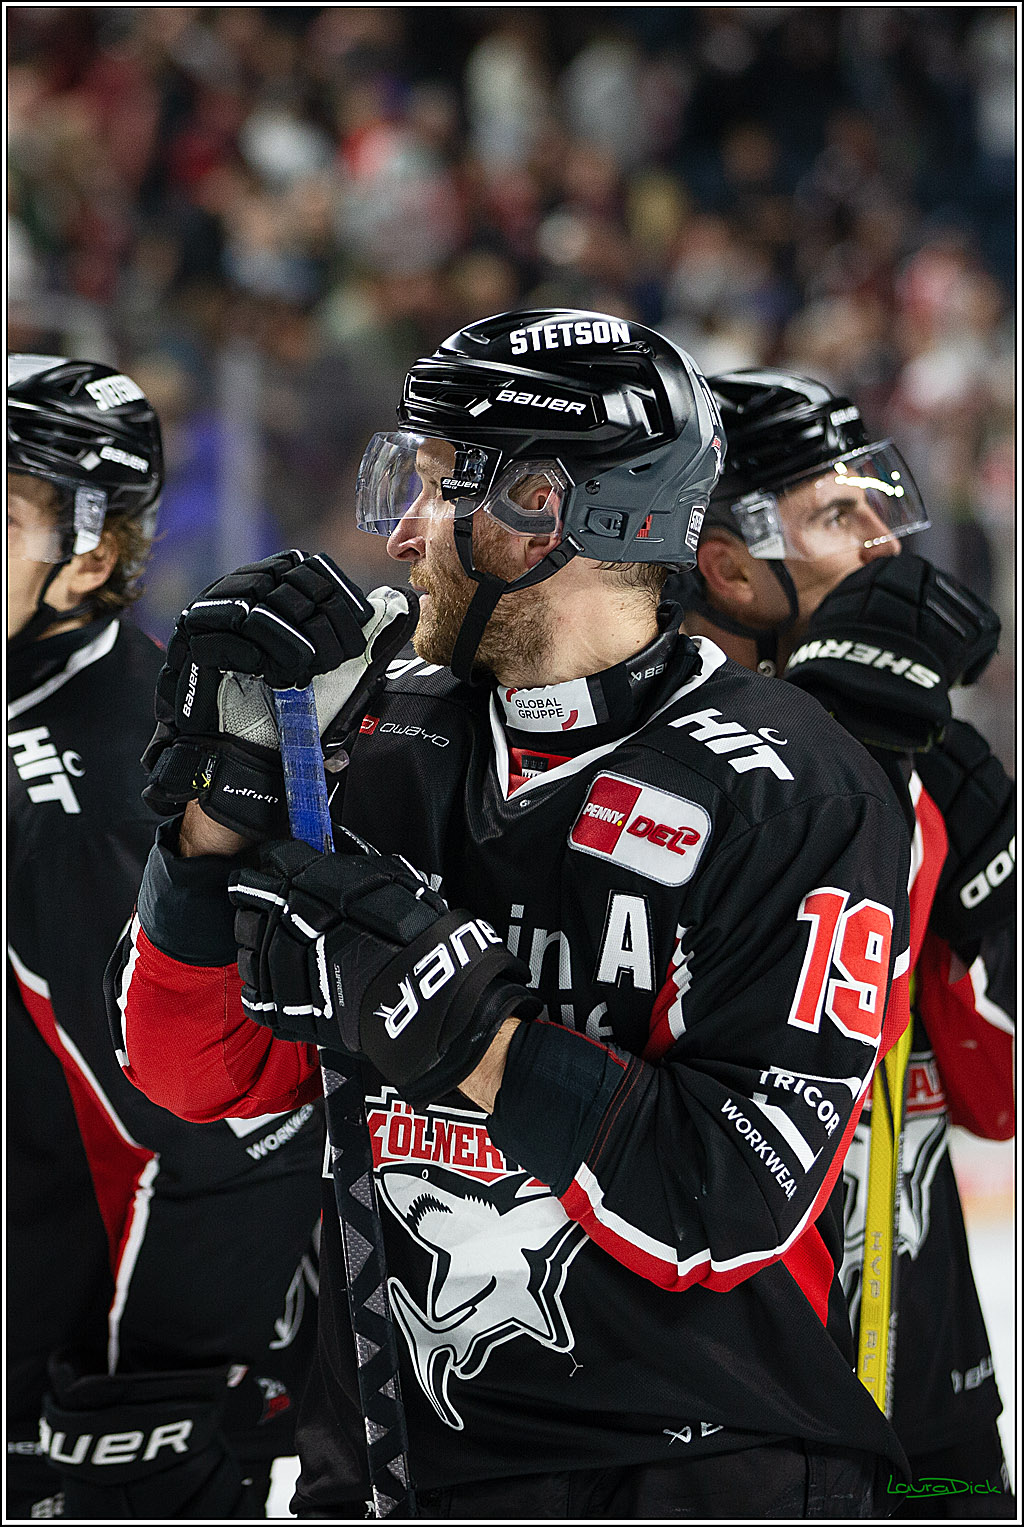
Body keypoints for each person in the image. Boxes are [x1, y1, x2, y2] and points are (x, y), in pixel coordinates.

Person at [109, 309, 916, 1519]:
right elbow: (191, 1076)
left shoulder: (789, 789)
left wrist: (473, 1034)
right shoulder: (372, 735)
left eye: (436, 489)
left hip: (686, 1474)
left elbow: (728, 1205)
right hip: (380, 1462)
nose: (398, 529)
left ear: (548, 511)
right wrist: (210, 831)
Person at [670, 367, 1015, 1516]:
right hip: (725, 1423)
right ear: (722, 564)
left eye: (877, 502)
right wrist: (854, 769)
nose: (881, 542)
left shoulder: (934, 769)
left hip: (930, 1402)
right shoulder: (647, 773)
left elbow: (998, 1091)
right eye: (834, 514)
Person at [6, 355, 324, 1520]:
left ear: (90, 557)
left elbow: (208, 1133)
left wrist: (150, 1408)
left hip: (60, 1389)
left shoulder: (90, 794)